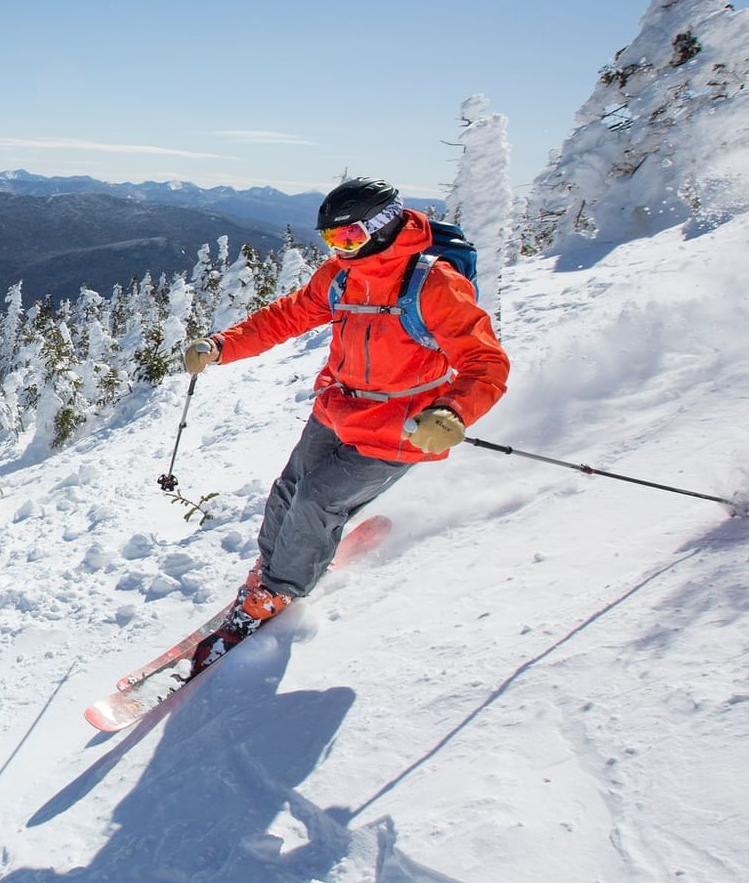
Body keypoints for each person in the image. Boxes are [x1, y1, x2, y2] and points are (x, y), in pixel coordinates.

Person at [180, 177, 510, 640]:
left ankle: (281, 588)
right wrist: (221, 346)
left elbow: (485, 360)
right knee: (290, 489)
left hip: (401, 426)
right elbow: (285, 316)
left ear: (382, 226)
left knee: (318, 498)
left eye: (349, 236)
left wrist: (454, 412)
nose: (341, 248)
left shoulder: (434, 284)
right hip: (339, 406)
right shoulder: (341, 276)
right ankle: (273, 564)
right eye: (332, 238)